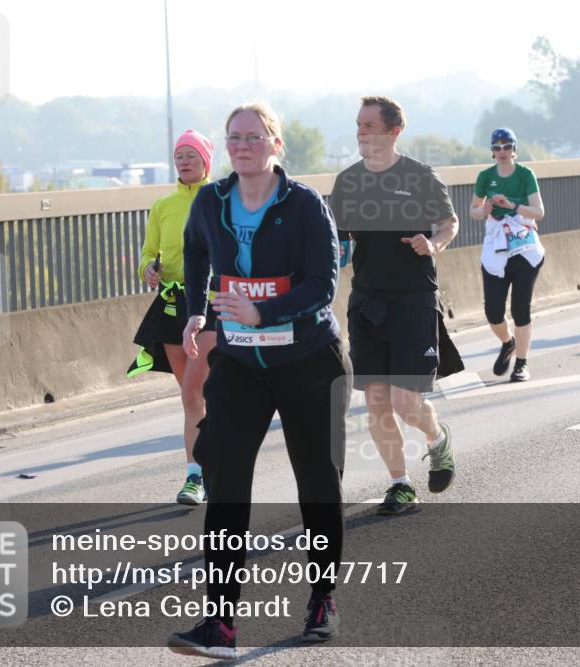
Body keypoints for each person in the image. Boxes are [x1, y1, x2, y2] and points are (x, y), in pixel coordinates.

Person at [167, 102, 351, 658]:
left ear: (276, 144)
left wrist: (260, 313)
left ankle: (323, 600)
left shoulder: (303, 205)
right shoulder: (211, 200)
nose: (242, 145)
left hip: (308, 361)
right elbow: (196, 250)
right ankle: (219, 624)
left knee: (317, 484)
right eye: (234, 138)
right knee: (224, 483)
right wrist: (199, 310)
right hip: (241, 366)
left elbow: (324, 283)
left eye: (254, 136)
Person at [330, 96, 459, 516]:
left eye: (369, 125)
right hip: (367, 301)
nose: (361, 132)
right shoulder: (349, 181)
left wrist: (433, 243)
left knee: (407, 404)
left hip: (413, 299)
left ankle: (437, 439)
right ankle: (400, 485)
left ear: (394, 130)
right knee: (378, 402)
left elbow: (448, 222)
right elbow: (339, 237)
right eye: (359, 125)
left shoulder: (421, 177)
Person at [128, 130, 216, 506]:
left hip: (212, 304)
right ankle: (202, 472)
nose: (184, 161)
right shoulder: (162, 206)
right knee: (191, 397)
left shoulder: (221, 199)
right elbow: (148, 253)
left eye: (191, 155)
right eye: (179, 155)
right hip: (171, 305)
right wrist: (149, 268)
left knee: (197, 391)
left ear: (206, 161)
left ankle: (198, 474)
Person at [469, 127, 546, 382]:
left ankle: (522, 364)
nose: (502, 151)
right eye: (497, 147)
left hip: (523, 245)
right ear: (492, 151)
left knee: (520, 308)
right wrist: (487, 208)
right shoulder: (484, 176)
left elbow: (539, 211)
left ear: (514, 149)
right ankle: (507, 342)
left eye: (507, 146)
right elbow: (473, 211)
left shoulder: (526, 174)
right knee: (492, 310)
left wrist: (512, 205)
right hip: (497, 243)